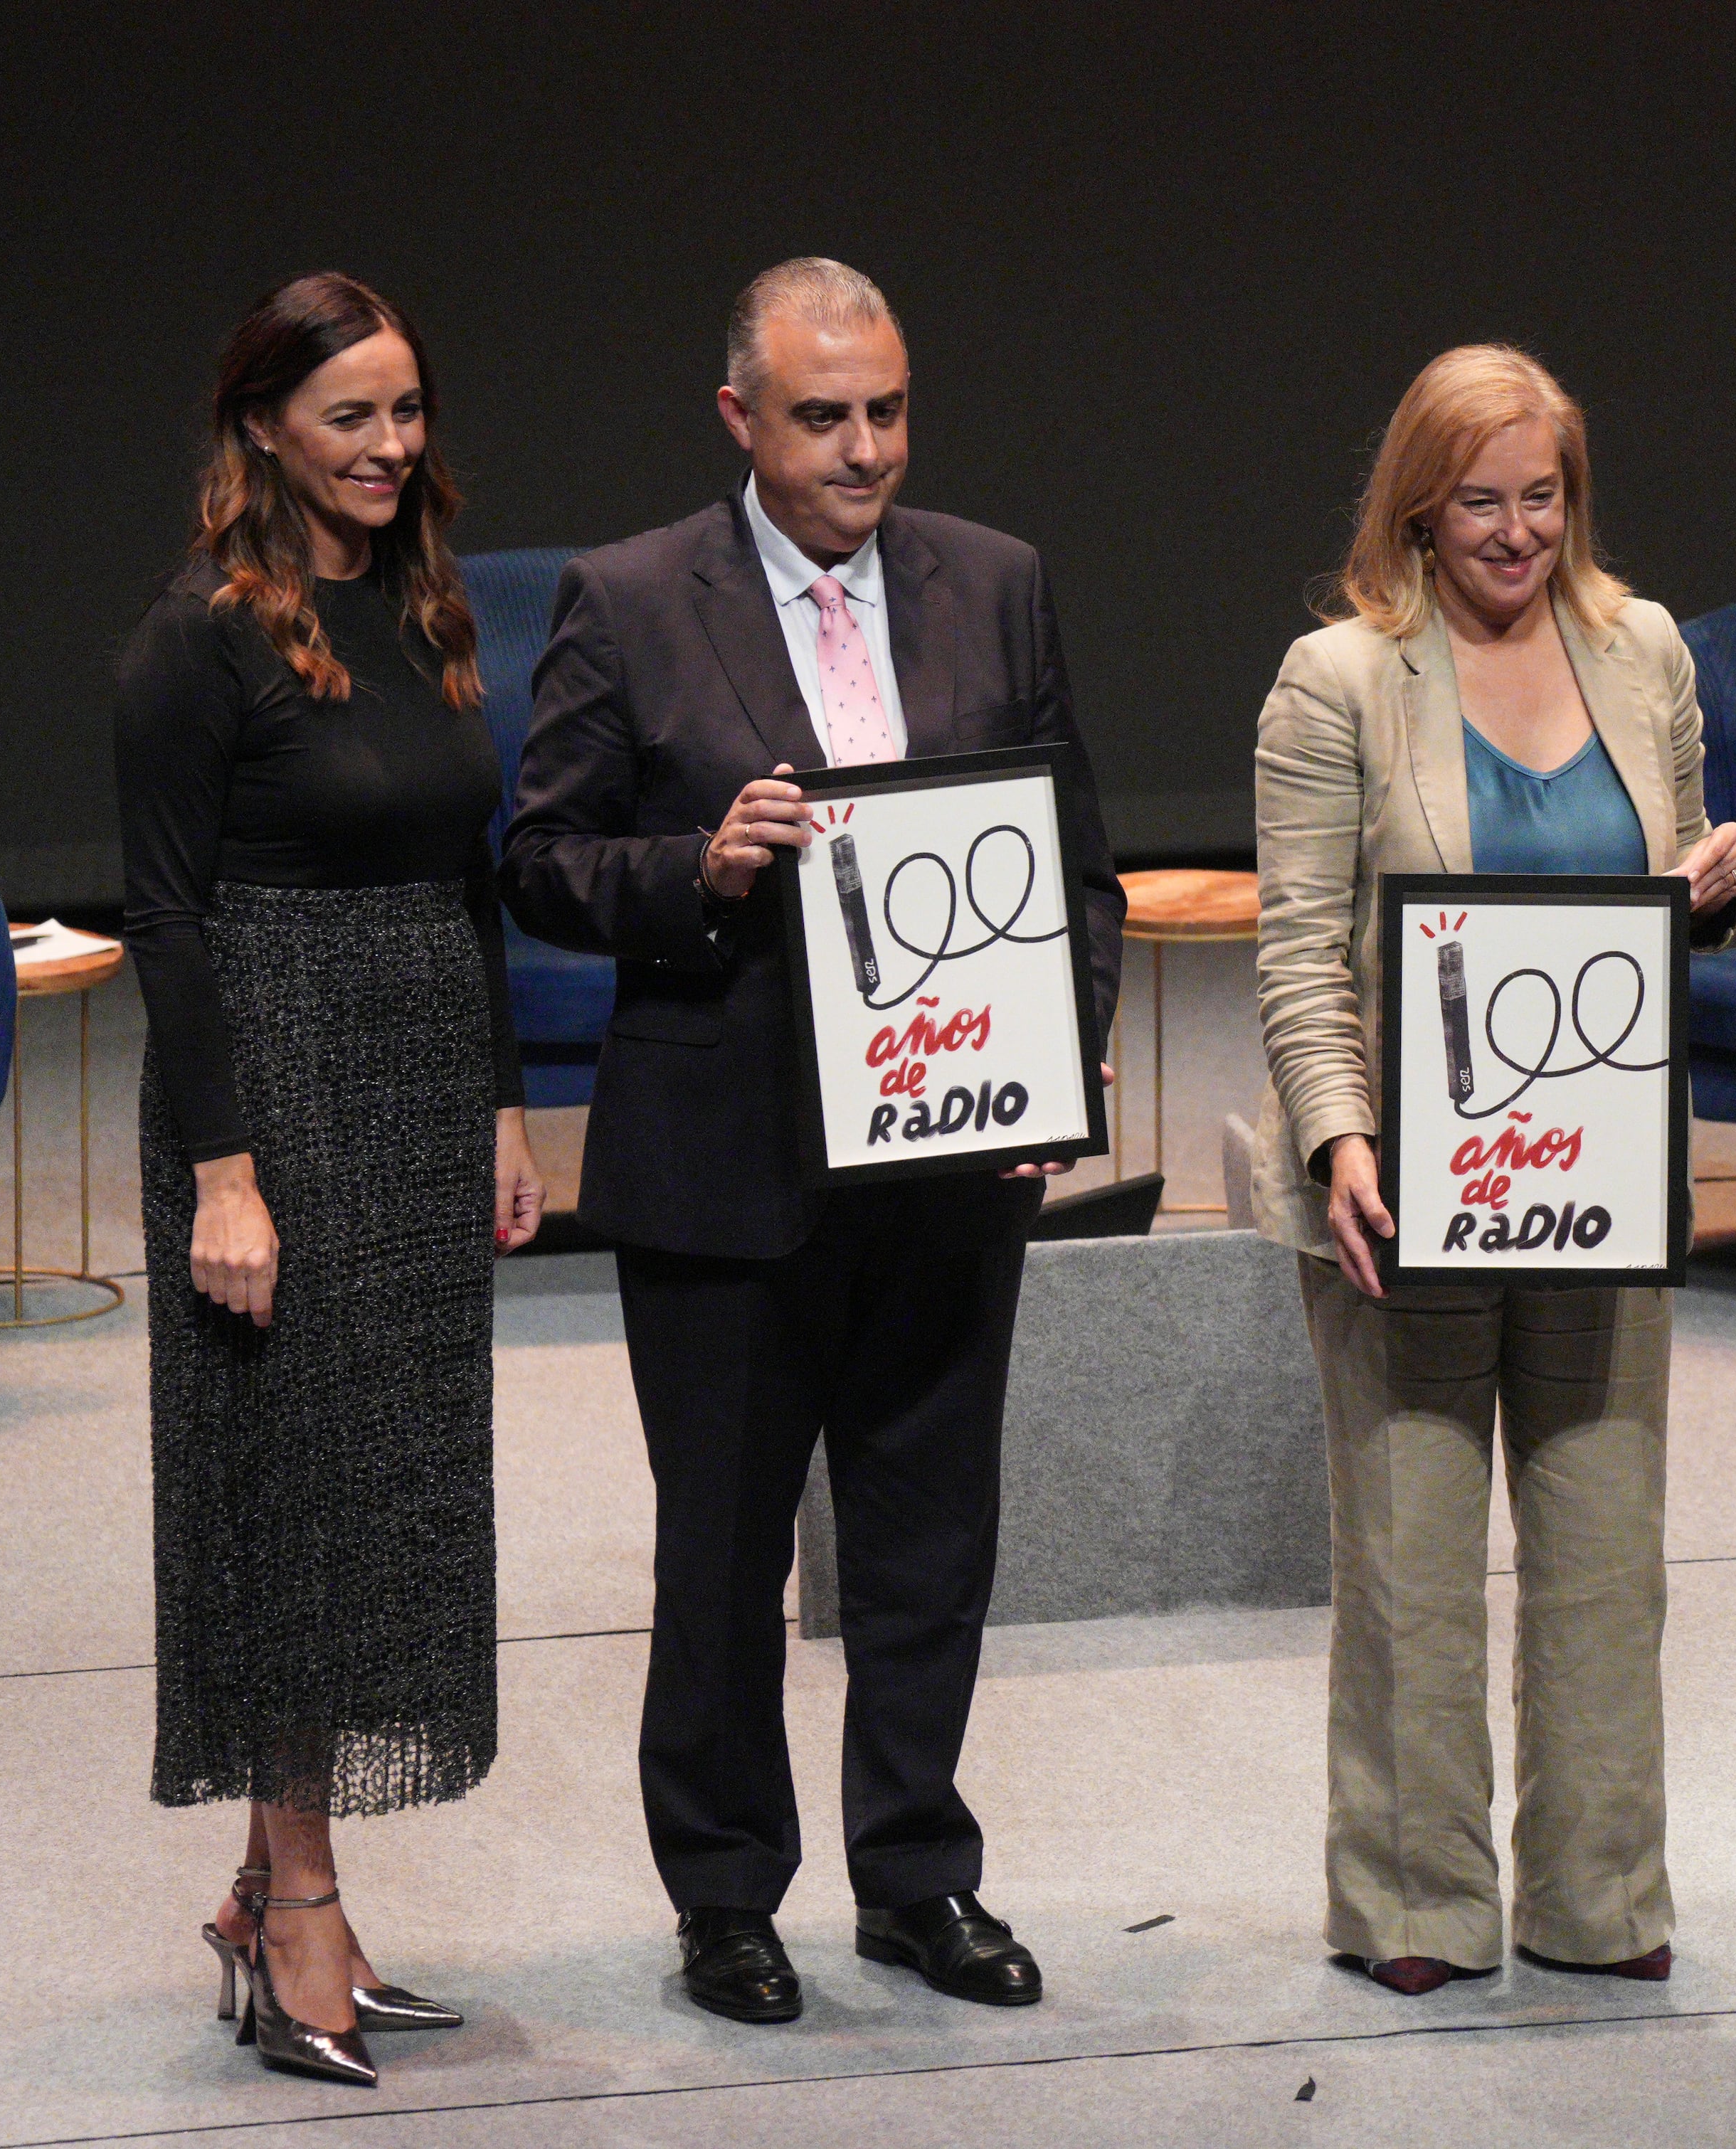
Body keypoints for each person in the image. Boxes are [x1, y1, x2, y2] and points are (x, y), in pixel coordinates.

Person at [500, 258, 1124, 2023]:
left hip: (951, 1153)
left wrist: (1047, 1078)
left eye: (889, 411)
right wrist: (690, 868)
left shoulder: (993, 581)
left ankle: (918, 1872)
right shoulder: (626, 599)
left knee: (932, 1538)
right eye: (824, 416)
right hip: (724, 1161)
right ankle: (724, 1896)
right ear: (739, 419)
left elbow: (1073, 866)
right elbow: (541, 863)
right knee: (720, 1548)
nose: (864, 449)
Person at [1251, 344, 1736, 1995]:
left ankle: (1598, 1894)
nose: (1517, 530)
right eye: (1481, 499)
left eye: (1543, 497)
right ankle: (1415, 1901)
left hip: (1595, 1184)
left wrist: (1713, 888)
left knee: (1607, 1554)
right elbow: (1301, 951)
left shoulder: (1644, 651)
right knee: (1409, 1559)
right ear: (1417, 501)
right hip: (1407, 1193)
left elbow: (1655, 907)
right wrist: (1340, 1140)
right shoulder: (1335, 679)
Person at [117, 272, 544, 2088]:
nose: (389, 446)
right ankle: (300, 1900)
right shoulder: (198, 637)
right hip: (272, 1100)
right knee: (292, 1512)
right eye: (351, 415)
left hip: (422, 1081)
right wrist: (225, 1172)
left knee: (381, 1504)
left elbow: (472, 879)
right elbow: (166, 914)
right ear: (266, 426)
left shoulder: (421, 604)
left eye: (407, 410)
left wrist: (507, 1112)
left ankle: (267, 1890)